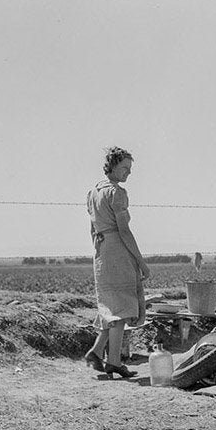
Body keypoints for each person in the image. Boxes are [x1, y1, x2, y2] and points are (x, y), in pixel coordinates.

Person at [84, 146, 150, 378]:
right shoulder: (117, 193)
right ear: (112, 166)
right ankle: (113, 361)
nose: (128, 173)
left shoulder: (93, 192)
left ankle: (96, 351)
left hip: (102, 251)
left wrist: (100, 250)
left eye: (130, 169)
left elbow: (93, 229)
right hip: (118, 250)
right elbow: (124, 230)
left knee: (111, 305)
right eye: (125, 168)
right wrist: (141, 261)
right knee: (121, 307)